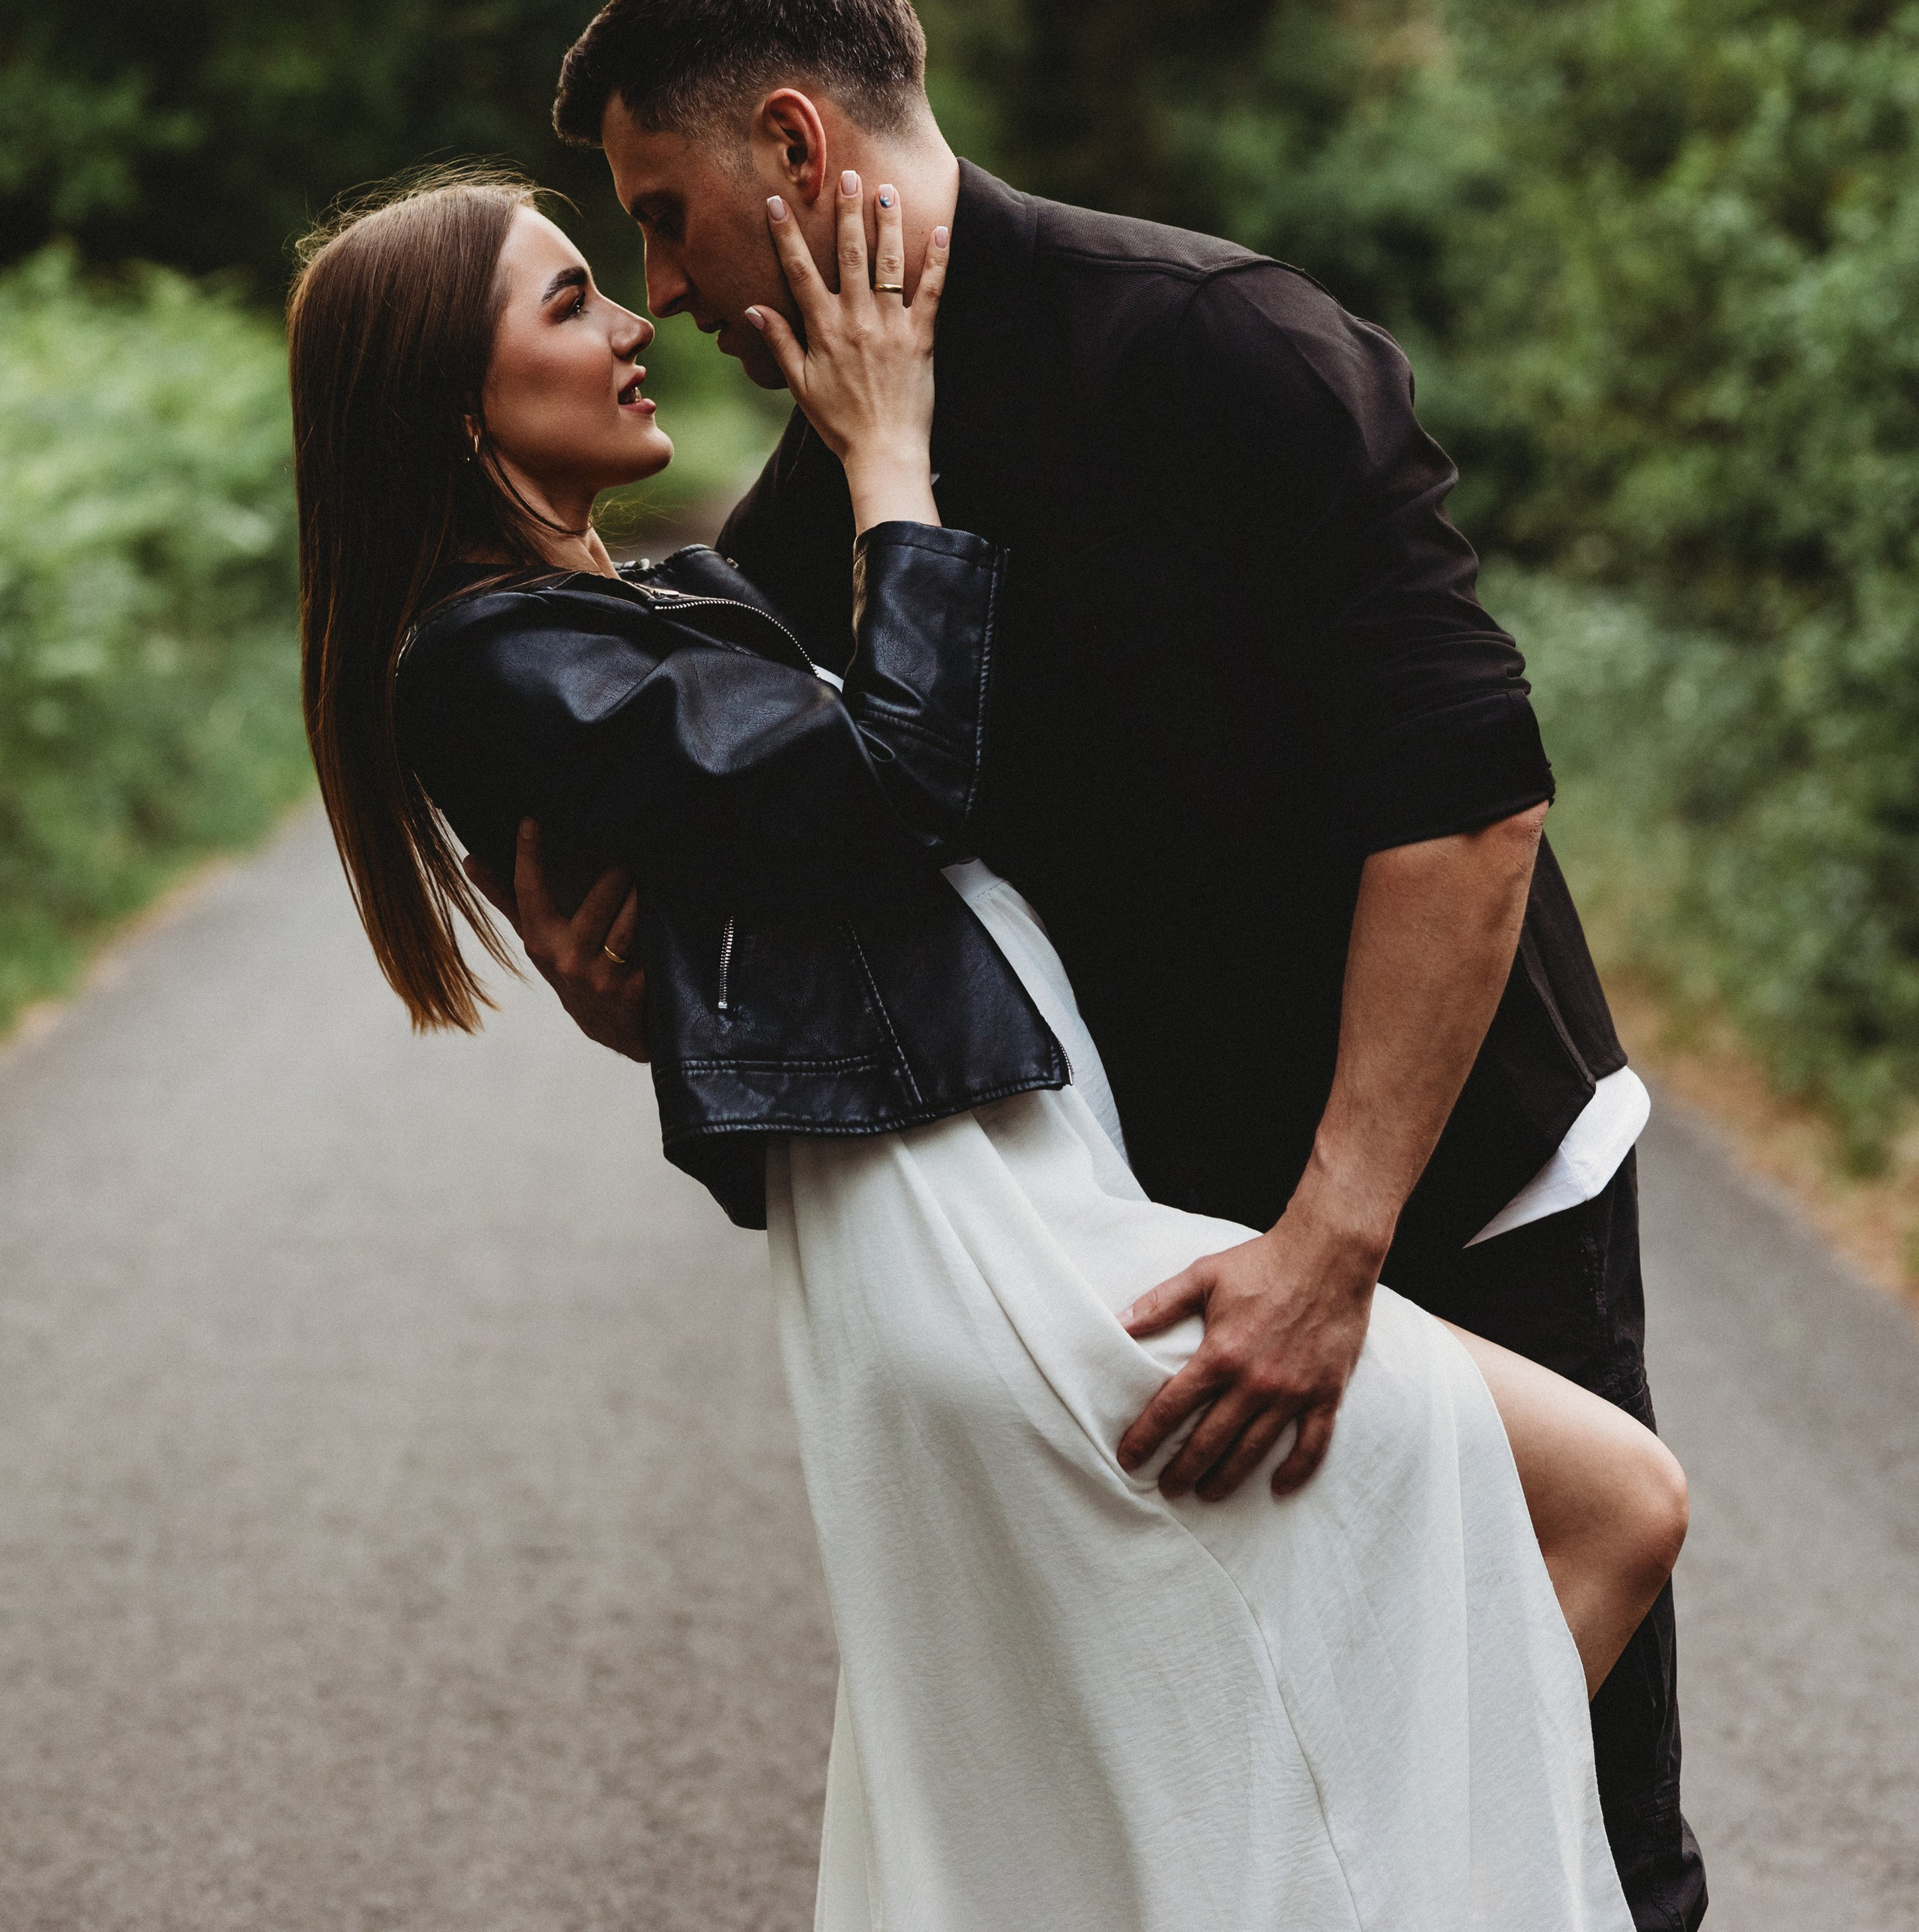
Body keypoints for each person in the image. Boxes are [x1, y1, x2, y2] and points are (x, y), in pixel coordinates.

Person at [289, 166, 1679, 1930]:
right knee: (1607, 1509)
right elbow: (891, 787)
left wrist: (673, 1003)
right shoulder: (493, 656)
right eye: (569, 299)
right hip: (985, 1237)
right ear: (446, 396)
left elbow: (802, 887)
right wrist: (885, 453)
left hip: (1028, 1192)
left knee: (1237, 1724)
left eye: (621, 261)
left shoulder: (625, 606)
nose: (635, 318)